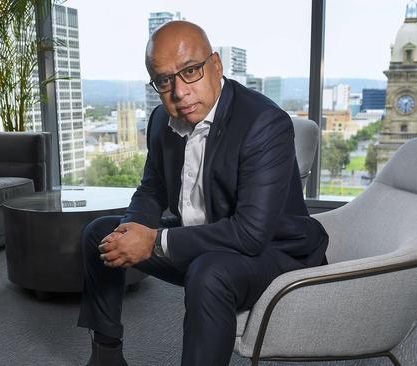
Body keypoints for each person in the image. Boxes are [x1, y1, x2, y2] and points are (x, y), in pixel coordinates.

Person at [77, 20, 329, 366]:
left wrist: (153, 241)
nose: (179, 92)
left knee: (209, 272)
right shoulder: (160, 122)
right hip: (199, 242)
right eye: (165, 80)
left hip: (277, 255)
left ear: (216, 66)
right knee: (101, 235)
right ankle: (106, 357)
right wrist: (130, 232)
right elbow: (152, 189)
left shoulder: (264, 122)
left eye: (191, 71)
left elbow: (251, 234)